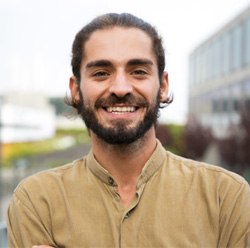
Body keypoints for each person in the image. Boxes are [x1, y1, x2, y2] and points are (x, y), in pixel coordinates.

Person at [7, 13, 250, 248]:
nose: (121, 88)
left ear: (163, 86)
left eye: (138, 72)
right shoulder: (36, 201)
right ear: (76, 90)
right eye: (101, 73)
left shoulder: (226, 197)